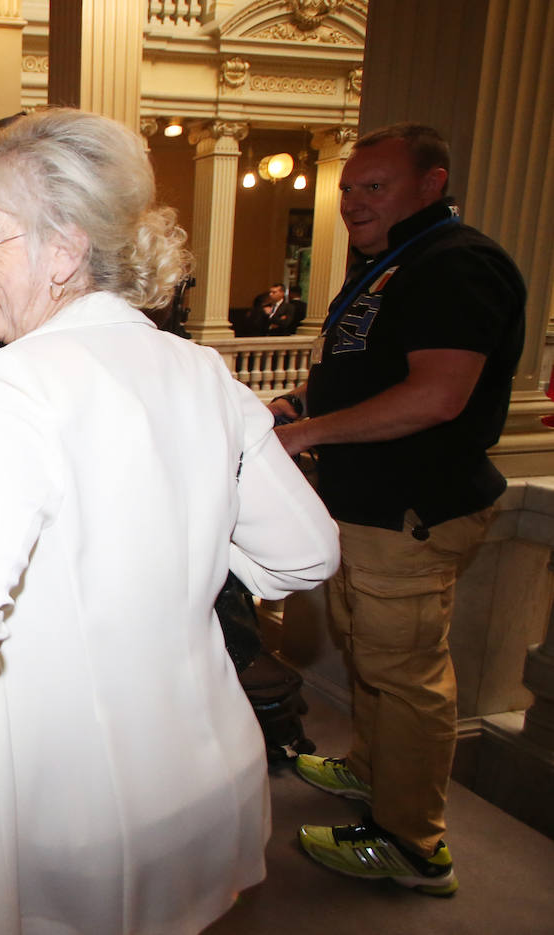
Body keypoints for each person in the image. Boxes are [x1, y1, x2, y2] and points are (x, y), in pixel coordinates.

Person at [0, 108, 340, 935]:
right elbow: (307, 553)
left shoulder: (11, 385)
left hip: (58, 823)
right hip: (204, 788)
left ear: (63, 248)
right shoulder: (204, 374)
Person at [270, 122, 525, 897]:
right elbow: (363, 371)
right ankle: (369, 771)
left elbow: (437, 395)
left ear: (431, 184)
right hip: (366, 508)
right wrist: (293, 402)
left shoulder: (456, 264)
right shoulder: (391, 264)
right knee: (369, 652)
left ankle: (414, 843)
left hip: (412, 510)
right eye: (347, 188)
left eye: (372, 186)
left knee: (407, 674)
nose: (350, 201)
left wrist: (308, 432)